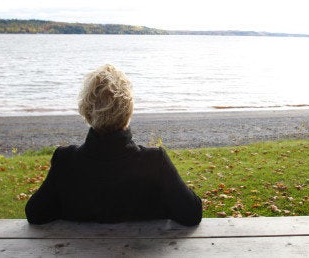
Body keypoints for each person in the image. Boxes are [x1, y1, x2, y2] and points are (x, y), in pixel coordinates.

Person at [25, 64, 202, 226]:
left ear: (86, 110)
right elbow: (191, 214)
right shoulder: (154, 161)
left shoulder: (65, 161)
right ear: (128, 110)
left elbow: (35, 214)